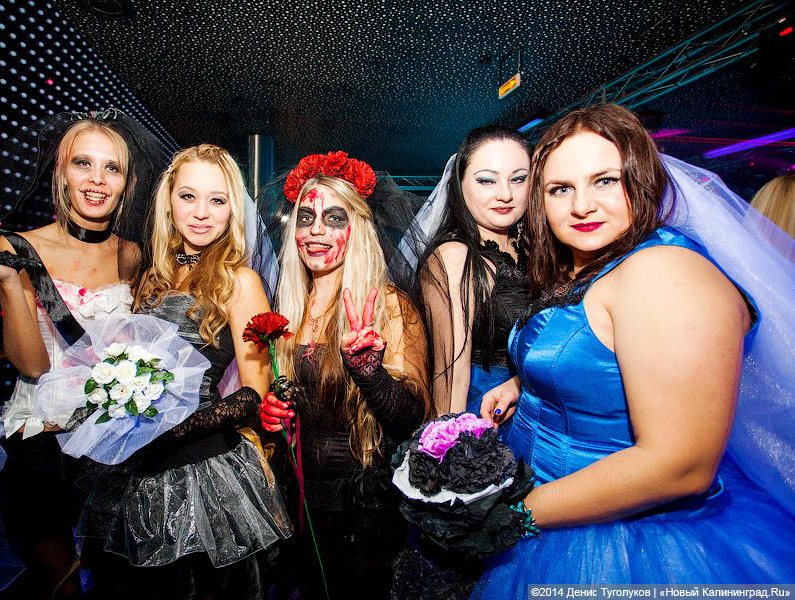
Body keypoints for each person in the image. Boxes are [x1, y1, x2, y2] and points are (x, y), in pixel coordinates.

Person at [472, 103, 794, 595]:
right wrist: (524, 382)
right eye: (561, 189)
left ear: (641, 180)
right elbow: (602, 346)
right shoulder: (597, 262)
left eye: (605, 180)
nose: (582, 206)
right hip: (555, 506)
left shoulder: (666, 273)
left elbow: (680, 466)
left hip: (625, 547)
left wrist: (509, 514)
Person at [0, 110, 165, 600]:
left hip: (114, 447)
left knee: (121, 582)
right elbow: (32, 365)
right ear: (61, 172)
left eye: (112, 168)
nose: (97, 180)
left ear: (127, 184)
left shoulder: (134, 256)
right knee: (61, 588)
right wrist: (7, 282)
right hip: (39, 441)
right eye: (83, 164)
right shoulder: (17, 247)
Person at [74, 144, 291, 600]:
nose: (201, 213)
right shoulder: (149, 275)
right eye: (188, 196)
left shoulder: (241, 281)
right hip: (134, 470)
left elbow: (254, 392)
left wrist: (173, 430)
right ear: (168, 200)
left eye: (217, 200)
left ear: (233, 209)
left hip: (204, 467)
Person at [258, 151, 430, 599]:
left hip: (363, 508)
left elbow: (412, 420)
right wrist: (271, 413)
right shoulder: (287, 308)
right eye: (306, 218)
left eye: (334, 218)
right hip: (299, 500)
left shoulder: (388, 305)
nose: (316, 230)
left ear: (358, 229)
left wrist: (368, 369)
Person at [416, 126, 531, 416]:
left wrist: (521, 383)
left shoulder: (537, 247)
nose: (505, 194)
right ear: (460, 184)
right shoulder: (455, 257)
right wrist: (455, 440)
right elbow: (451, 380)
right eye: (486, 181)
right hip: (485, 420)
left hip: (543, 413)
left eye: (518, 179)